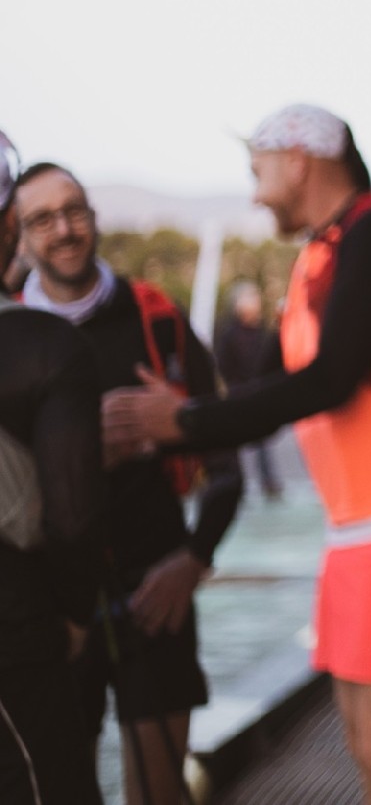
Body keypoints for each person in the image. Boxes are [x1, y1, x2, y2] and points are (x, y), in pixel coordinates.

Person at [104, 106, 371, 805]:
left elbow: (331, 380)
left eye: (258, 171)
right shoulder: (318, 255)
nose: (253, 193)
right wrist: (171, 422)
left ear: (299, 160)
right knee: (367, 748)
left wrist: (182, 421)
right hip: (358, 535)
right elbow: (261, 393)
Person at [14, 162, 245, 805]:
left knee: (159, 790)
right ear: (18, 236)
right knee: (58, 788)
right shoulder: (11, 334)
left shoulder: (155, 317)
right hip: (53, 604)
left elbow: (228, 464)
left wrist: (193, 559)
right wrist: (75, 459)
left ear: (94, 216)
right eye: (41, 219)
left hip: (155, 586)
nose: (64, 229)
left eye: (74, 210)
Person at [0, 130, 107, 805]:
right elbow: (72, 514)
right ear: (11, 226)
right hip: (19, 624)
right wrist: (74, 613)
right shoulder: (42, 345)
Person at [214, 282, 284, 500]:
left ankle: (267, 480)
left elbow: (269, 362)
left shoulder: (260, 332)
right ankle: (231, 479)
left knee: (262, 440)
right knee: (235, 441)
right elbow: (224, 364)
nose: (254, 304)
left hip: (258, 391)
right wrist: (237, 386)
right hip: (239, 392)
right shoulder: (230, 334)